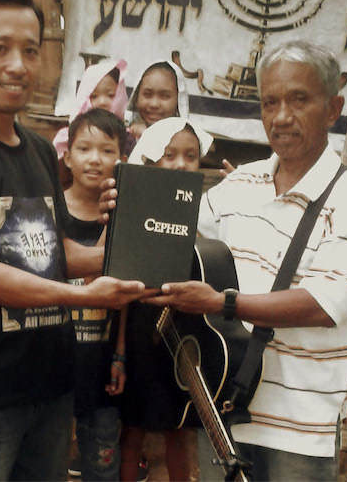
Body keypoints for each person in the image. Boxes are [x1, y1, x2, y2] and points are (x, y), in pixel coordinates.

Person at [0, 0, 151, 481]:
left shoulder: (40, 152)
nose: (18, 65)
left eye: (30, 50)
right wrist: (82, 296)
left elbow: (51, 252)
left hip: (50, 383)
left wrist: (121, 251)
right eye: (0, 49)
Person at [145, 40, 347, 480]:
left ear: (333, 109)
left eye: (298, 100)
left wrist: (221, 303)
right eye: (270, 102)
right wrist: (125, 207)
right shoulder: (241, 185)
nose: (281, 116)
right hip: (225, 410)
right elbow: (170, 235)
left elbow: (323, 305)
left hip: (301, 430)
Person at [118, 117, 213, 482]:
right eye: (170, 155)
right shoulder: (133, 209)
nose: (180, 164)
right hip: (141, 330)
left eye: (190, 156)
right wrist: (120, 350)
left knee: (179, 427)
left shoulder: (208, 212)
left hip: (185, 333)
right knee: (133, 427)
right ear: (152, 158)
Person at [61, 108, 129, 481]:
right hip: (55, 362)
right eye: (84, 148)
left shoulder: (126, 216)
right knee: (46, 460)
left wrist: (120, 352)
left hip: (103, 365)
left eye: (107, 150)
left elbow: (125, 295)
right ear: (67, 156)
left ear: (122, 160)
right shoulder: (52, 208)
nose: (94, 159)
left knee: (102, 462)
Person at [126, 60, 189, 144]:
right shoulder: (125, 136)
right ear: (136, 97)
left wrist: (148, 135)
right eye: (147, 94)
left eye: (164, 96)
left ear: (178, 101)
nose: (154, 104)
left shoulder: (187, 141)